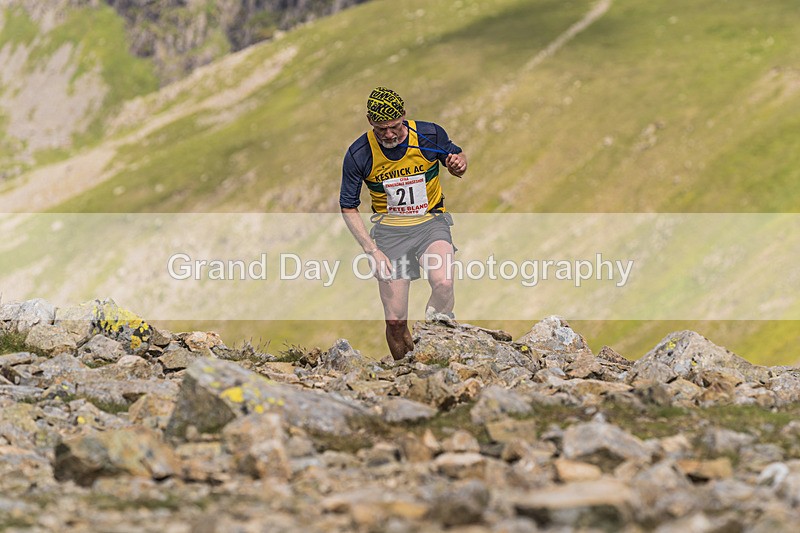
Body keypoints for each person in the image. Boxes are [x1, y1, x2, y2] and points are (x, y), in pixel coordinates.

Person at [340, 87, 468, 360]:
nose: (389, 134)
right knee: (396, 322)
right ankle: (405, 372)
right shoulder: (359, 154)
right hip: (390, 236)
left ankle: (439, 347)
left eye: (395, 127)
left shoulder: (429, 134)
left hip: (430, 224)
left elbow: (454, 156)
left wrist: (458, 164)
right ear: (369, 121)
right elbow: (348, 206)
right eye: (381, 129)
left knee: (443, 283)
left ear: (404, 117)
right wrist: (371, 250)